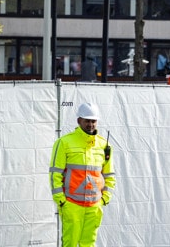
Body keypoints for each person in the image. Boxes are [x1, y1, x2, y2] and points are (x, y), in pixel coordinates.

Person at [49, 102, 115, 247]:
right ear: (79, 121)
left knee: (89, 243)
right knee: (70, 243)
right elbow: (55, 174)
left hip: (94, 205)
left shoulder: (104, 145)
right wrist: (61, 201)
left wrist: (104, 199)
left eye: (93, 121)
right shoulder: (64, 142)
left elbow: (109, 174)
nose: (91, 124)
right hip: (72, 205)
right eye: (87, 121)